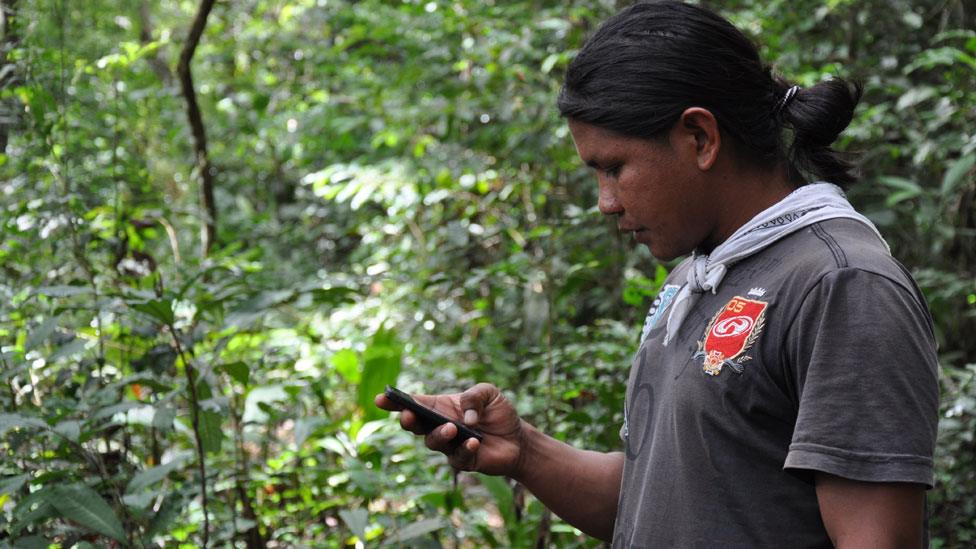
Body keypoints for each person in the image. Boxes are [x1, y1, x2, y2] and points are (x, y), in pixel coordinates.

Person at [376, 1, 940, 547]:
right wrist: (524, 450)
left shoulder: (842, 284)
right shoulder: (698, 277)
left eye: (614, 168)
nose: (605, 202)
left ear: (699, 138)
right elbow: (662, 501)